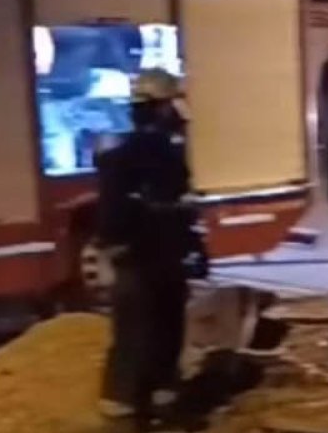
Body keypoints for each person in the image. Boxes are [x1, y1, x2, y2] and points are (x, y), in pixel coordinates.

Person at [97, 69, 204, 430]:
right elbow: (176, 206)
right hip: (156, 256)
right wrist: (192, 246)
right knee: (156, 329)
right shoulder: (162, 153)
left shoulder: (122, 154)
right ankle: (149, 402)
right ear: (162, 107)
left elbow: (115, 211)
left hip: (147, 256)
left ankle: (136, 402)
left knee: (138, 329)